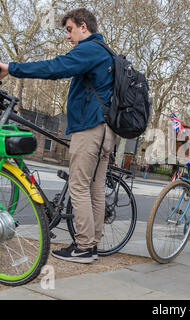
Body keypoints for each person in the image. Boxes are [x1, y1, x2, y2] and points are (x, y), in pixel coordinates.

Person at [0, 8, 116, 263]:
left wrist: (11, 68)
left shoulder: (90, 49)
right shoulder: (106, 52)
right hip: (106, 130)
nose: (67, 36)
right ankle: (91, 244)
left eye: (69, 29)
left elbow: (55, 67)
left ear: (83, 27)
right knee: (94, 188)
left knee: (78, 186)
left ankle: (84, 247)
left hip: (90, 127)